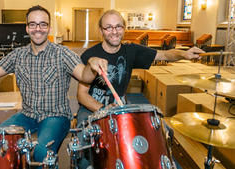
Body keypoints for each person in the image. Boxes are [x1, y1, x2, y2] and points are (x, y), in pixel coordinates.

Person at [0, 5, 107, 168]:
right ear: (27, 28)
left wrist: (92, 65)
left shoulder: (62, 53)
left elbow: (84, 76)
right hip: (26, 115)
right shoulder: (17, 55)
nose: (38, 29)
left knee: (41, 152)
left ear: (49, 28)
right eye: (33, 24)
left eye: (43, 24)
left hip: (56, 116)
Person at [76, 9, 204, 168]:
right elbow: (81, 95)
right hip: (92, 109)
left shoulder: (131, 51)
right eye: (108, 27)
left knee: (148, 139)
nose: (114, 31)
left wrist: (184, 54)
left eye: (118, 27)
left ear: (124, 28)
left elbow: (164, 55)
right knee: (81, 146)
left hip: (120, 107)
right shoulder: (90, 55)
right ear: (101, 30)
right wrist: (103, 109)